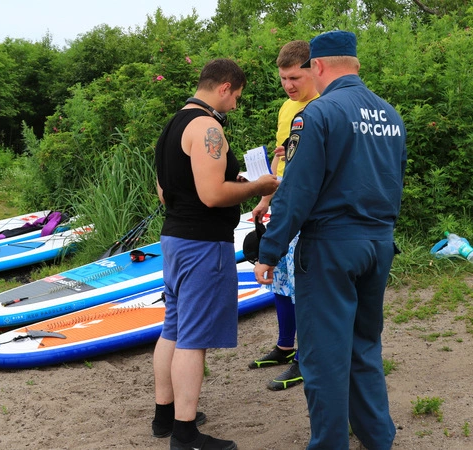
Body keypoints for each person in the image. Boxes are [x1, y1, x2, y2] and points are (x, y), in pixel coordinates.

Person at [254, 30, 406, 449]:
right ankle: (378, 438)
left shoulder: (317, 113)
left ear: (318, 66)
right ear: (354, 64)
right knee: (364, 346)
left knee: (322, 357)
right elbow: (394, 180)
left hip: (331, 246)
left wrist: (270, 250)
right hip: (378, 243)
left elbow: (297, 190)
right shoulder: (390, 115)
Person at [153, 58, 280, 450]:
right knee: (193, 338)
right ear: (225, 87)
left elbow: (165, 192)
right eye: (237, 96)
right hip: (203, 245)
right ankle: (185, 434)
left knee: (174, 328)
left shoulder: (172, 126)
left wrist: (231, 181)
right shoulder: (208, 127)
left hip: (174, 239)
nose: (236, 105)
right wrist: (257, 187)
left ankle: (164, 416)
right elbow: (211, 195)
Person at [248, 40, 319, 391]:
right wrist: (266, 199)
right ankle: (285, 346)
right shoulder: (287, 108)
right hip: (283, 202)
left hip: (310, 210)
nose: (289, 85)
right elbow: (282, 162)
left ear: (313, 71)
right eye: (283, 79)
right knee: (279, 277)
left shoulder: (323, 106)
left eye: (295, 78)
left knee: (303, 284)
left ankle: (307, 358)